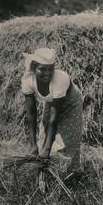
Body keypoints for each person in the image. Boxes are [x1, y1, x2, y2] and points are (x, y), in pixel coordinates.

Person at [21, 48, 83, 176]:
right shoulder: (28, 80)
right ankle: (45, 172)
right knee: (44, 135)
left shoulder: (60, 79)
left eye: (50, 69)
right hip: (52, 101)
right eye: (42, 69)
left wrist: (48, 148)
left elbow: (54, 120)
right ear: (34, 67)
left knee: (68, 137)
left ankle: (70, 174)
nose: (47, 73)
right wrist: (32, 144)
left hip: (71, 103)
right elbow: (31, 114)